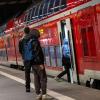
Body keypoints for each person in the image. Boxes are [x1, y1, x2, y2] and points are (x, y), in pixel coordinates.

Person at [19, 27, 47, 100]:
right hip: (38, 63)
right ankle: (44, 95)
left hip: (31, 62)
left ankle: (38, 94)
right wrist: (41, 63)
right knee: (43, 78)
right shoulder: (35, 41)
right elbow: (38, 53)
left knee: (36, 78)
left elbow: (21, 51)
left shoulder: (24, 40)